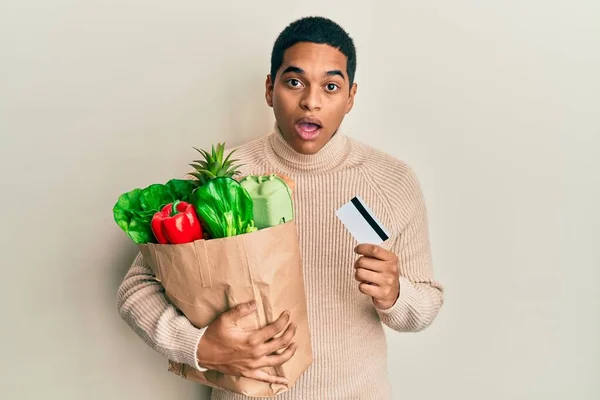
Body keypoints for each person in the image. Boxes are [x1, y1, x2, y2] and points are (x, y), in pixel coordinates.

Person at [117, 15, 444, 400]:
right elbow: (135, 288)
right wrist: (200, 346)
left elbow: (426, 304)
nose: (311, 100)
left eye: (331, 86)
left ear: (351, 97)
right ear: (270, 89)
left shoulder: (393, 180)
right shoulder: (223, 181)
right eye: (294, 82)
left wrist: (395, 294)